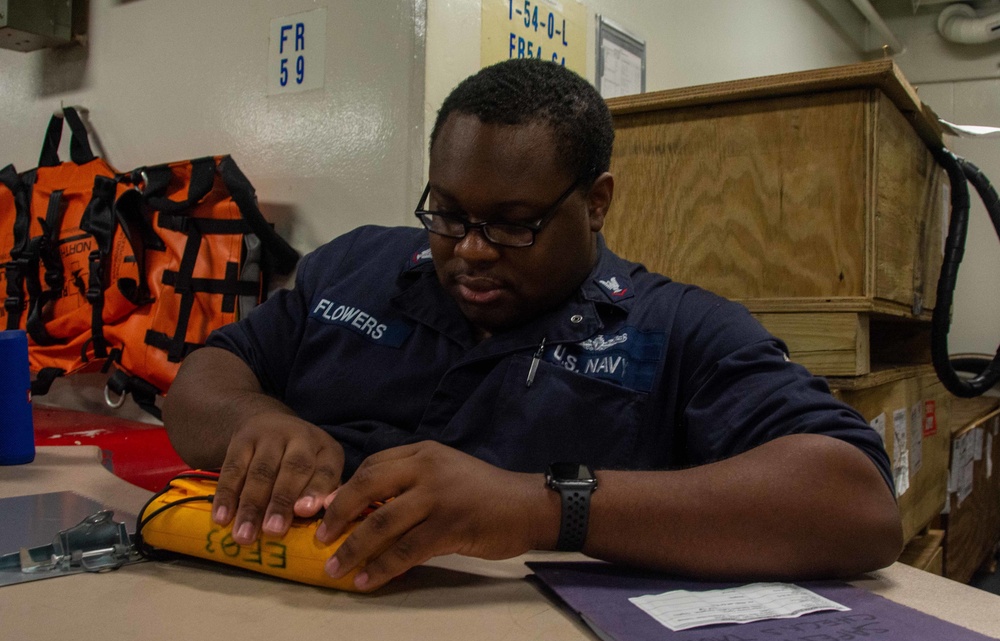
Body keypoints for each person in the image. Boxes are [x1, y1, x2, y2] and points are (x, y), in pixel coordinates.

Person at [163, 58, 902, 592]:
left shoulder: (677, 331)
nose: (471, 251)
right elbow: (206, 377)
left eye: (516, 225)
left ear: (597, 201)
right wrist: (257, 422)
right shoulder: (360, 265)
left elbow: (857, 504)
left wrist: (542, 507)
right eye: (449, 214)